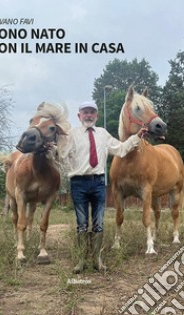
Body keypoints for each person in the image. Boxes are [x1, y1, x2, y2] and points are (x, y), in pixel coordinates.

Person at [61, 101, 148, 273]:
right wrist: (54, 146)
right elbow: (62, 155)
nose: (88, 115)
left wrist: (137, 136)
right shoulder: (71, 135)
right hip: (78, 183)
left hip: (99, 183)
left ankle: (97, 260)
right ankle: (81, 261)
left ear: (97, 116)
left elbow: (121, 149)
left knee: (99, 223)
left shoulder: (103, 134)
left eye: (92, 112)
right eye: (85, 112)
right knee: (82, 224)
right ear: (79, 116)